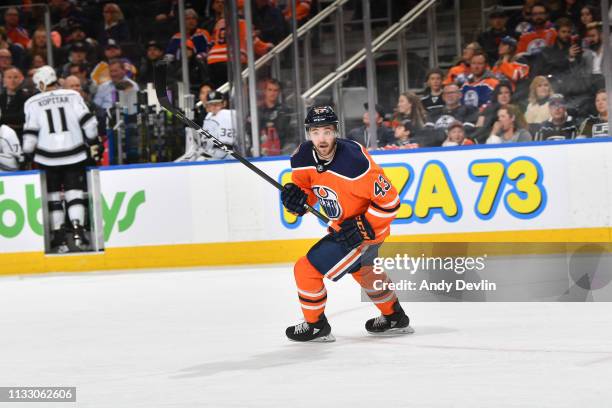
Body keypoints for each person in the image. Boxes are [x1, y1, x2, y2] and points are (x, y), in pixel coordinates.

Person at [281, 105, 413, 342]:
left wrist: (362, 227)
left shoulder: (355, 162)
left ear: (335, 131)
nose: (321, 139)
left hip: (365, 232)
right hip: (344, 227)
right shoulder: (302, 156)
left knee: (306, 269)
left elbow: (391, 202)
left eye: (327, 131)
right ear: (308, 133)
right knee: (363, 271)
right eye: (316, 132)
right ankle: (395, 317)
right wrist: (296, 200)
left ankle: (315, 325)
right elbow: (307, 190)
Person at [22, 66, 99, 252]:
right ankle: (78, 231)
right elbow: (89, 123)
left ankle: (59, 236)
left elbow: (30, 134)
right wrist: (93, 142)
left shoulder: (32, 102)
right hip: (75, 153)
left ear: (41, 83)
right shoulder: (73, 96)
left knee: (54, 197)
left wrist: (27, 152)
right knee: (75, 193)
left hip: (47, 157)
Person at [255, 78, 294, 156]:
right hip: (261, 149)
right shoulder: (256, 111)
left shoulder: (285, 110)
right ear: (265, 91)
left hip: (281, 149)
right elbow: (249, 130)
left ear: (279, 92)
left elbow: (287, 132)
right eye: (270, 90)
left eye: (275, 90)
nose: (272, 93)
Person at [0, 67, 29, 138]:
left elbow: (22, 117)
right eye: (9, 77)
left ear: (21, 79)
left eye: (15, 77)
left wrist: (1, 118)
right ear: (4, 80)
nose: (12, 80)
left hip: (19, 135)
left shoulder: (27, 97)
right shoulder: (1, 97)